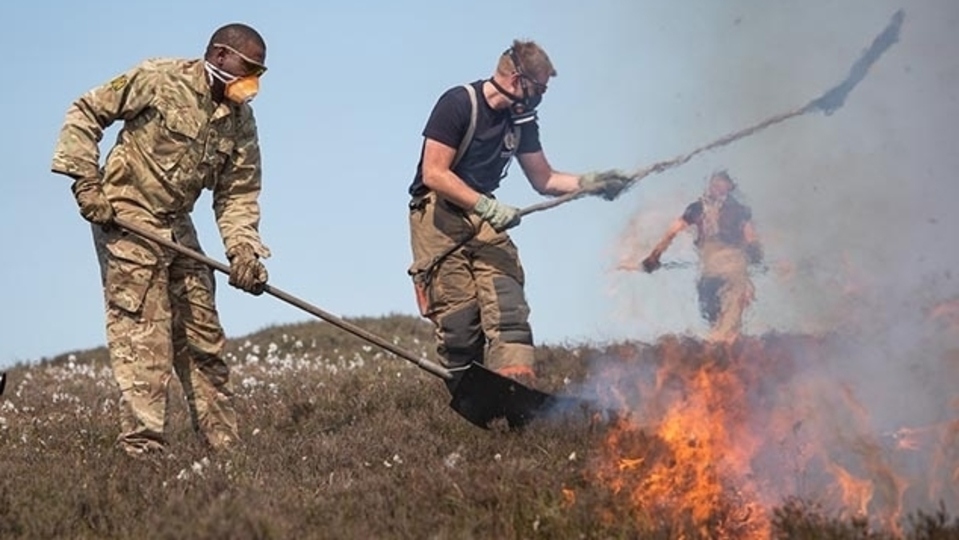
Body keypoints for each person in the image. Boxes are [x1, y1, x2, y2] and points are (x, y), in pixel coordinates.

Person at [50, 23, 272, 457]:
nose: (253, 83)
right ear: (220, 55)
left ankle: (224, 448)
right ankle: (143, 451)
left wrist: (243, 250)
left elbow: (238, 192)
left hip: (175, 221)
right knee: (145, 334)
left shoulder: (240, 121)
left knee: (203, 333)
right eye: (249, 70)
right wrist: (85, 181)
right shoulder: (158, 77)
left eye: (260, 74)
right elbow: (84, 112)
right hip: (126, 212)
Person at [406, 39, 632, 390]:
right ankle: (469, 394)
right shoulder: (458, 103)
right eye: (539, 88)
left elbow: (544, 178)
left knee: (508, 305)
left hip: (484, 216)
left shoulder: (522, 120)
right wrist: (484, 205)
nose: (541, 96)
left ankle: (514, 388)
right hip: (438, 215)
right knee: (459, 323)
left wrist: (590, 183)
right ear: (515, 80)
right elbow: (434, 173)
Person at [629, 170, 763, 344]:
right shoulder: (708, 209)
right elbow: (751, 237)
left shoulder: (727, 210)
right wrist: (755, 254)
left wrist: (654, 257)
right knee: (723, 316)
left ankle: (721, 348)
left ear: (729, 187)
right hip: (723, 267)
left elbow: (672, 231)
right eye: (714, 182)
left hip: (721, 267)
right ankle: (723, 347)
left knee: (721, 315)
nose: (715, 185)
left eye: (720, 182)